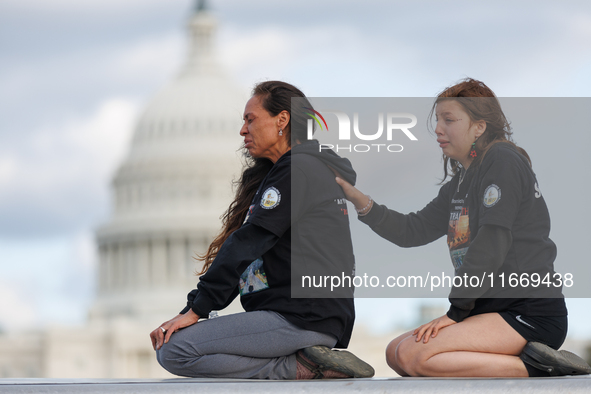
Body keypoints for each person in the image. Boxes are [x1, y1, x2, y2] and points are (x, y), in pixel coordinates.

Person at [336, 78, 591, 377]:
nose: (438, 129)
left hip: (529, 311)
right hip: (491, 312)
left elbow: (492, 240)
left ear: (479, 127)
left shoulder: (502, 159)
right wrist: (359, 200)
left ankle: (541, 367)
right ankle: (532, 363)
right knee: (395, 351)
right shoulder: (460, 182)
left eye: (449, 120)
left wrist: (456, 312)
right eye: (438, 120)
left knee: (411, 355)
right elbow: (412, 230)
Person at [149, 80, 374, 380]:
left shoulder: (300, 169)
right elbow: (250, 249)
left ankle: (298, 367)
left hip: (301, 316)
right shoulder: (294, 170)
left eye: (250, 119)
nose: (243, 130)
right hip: (304, 314)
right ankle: (306, 360)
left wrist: (196, 309)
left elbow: (248, 241)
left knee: (174, 350)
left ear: (282, 119)